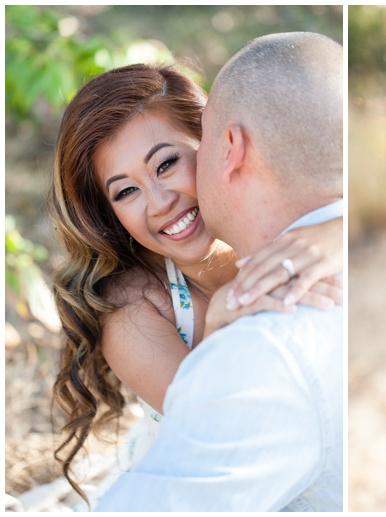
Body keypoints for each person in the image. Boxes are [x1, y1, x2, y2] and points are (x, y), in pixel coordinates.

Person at [48, 60, 343, 508]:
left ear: (216, 147)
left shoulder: (284, 223)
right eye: (126, 192)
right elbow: (219, 436)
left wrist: (337, 231)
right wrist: (222, 321)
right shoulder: (132, 307)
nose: (160, 203)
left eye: (166, 164)